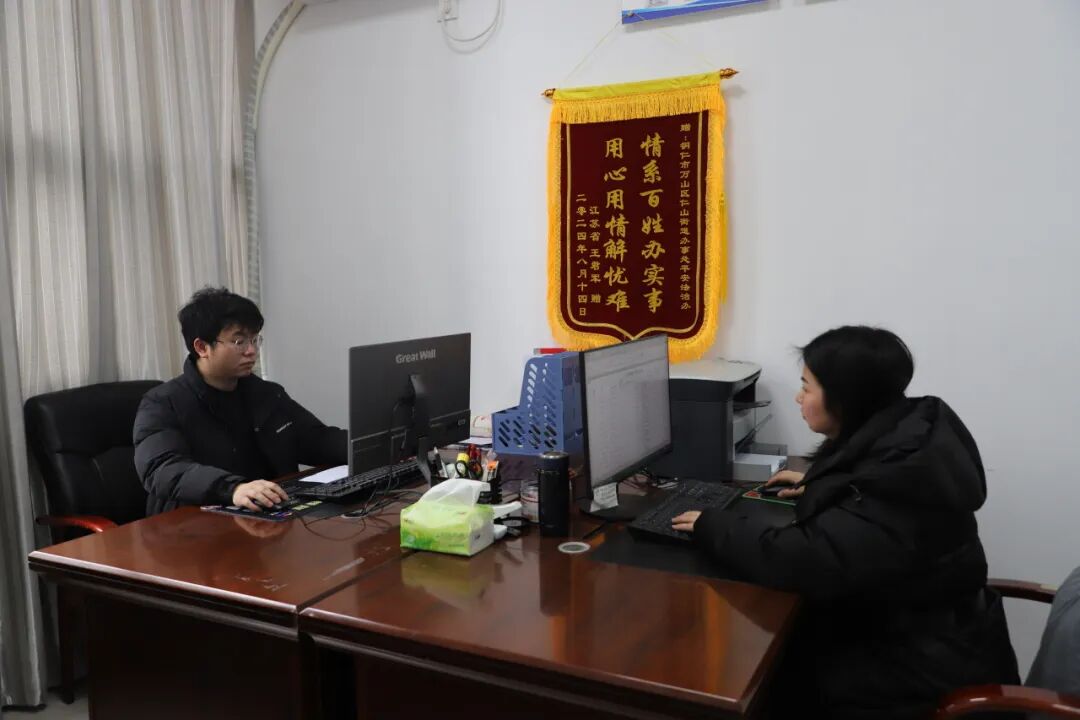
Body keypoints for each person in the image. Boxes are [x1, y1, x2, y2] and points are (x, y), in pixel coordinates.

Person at [672, 325, 1019, 719]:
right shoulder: (908, 438)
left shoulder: (897, 489)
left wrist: (712, 526)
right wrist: (823, 483)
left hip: (911, 675)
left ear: (846, 399)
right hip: (925, 636)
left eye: (807, 387)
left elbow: (799, 560)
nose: (798, 397)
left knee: (745, 675)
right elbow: (862, 491)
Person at [134, 287, 346, 515]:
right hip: (195, 520)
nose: (251, 351)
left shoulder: (267, 394)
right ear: (202, 347)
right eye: (239, 342)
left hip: (269, 512)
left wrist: (367, 446)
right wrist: (232, 488)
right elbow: (161, 468)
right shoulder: (163, 403)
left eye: (254, 340)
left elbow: (314, 439)